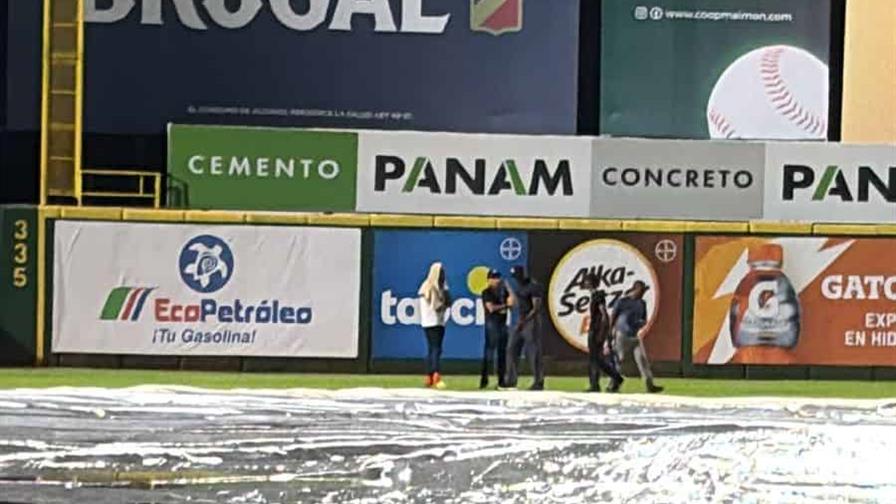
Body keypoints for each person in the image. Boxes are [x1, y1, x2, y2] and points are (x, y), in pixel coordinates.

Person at [610, 280, 663, 393]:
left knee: (642, 360)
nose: (643, 293)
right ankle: (614, 383)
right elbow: (613, 317)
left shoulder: (642, 303)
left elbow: (644, 319)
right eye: (642, 290)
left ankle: (650, 385)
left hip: (635, 336)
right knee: (620, 360)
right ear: (636, 289)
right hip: (622, 335)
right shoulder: (622, 302)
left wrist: (640, 323)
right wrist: (611, 334)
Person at [505, 266, 545, 391]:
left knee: (533, 352)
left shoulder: (533, 287)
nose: (516, 279)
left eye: (517, 277)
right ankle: (511, 380)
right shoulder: (519, 287)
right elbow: (517, 303)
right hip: (520, 321)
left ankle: (538, 381)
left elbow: (536, 307)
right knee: (511, 348)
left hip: (531, 321)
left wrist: (524, 320)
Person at [583, 273, 624, 393]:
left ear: (591, 283)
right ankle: (595, 383)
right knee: (594, 359)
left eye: (587, 281)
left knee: (596, 359)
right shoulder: (594, 295)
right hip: (594, 329)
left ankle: (614, 378)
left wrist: (602, 332)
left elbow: (604, 314)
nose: (585, 283)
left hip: (596, 330)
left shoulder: (598, 296)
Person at [418, 262, 451, 389]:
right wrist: (444, 296)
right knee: (435, 349)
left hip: (435, 322)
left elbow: (449, 301)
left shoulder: (436, 286)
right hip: (433, 321)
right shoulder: (430, 287)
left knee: (433, 349)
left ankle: (429, 375)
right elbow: (437, 306)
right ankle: (435, 375)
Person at [480, 270, 513, 389]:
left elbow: (513, 303)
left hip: (502, 324)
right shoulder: (486, 292)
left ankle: (501, 380)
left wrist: (509, 289)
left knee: (502, 353)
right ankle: (484, 379)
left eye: (498, 278)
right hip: (492, 325)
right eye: (493, 278)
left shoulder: (503, 292)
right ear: (488, 280)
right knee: (489, 353)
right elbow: (491, 308)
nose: (496, 280)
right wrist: (505, 306)